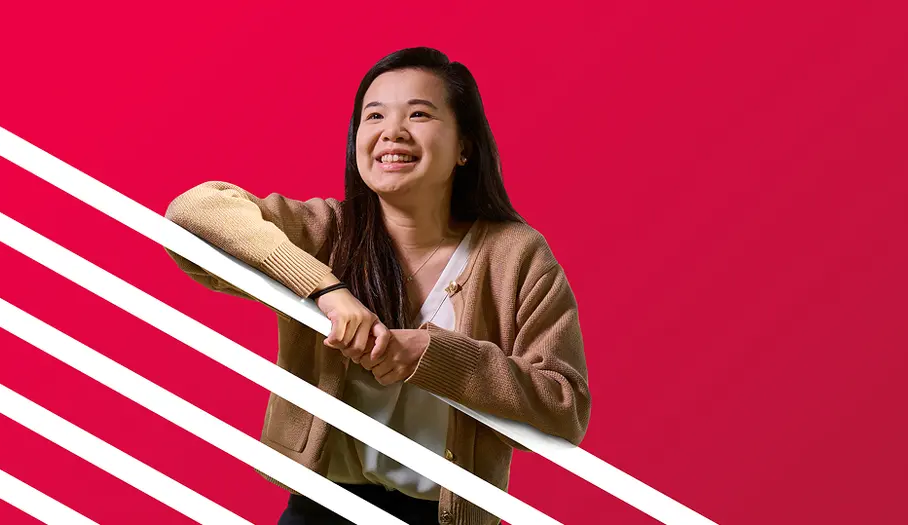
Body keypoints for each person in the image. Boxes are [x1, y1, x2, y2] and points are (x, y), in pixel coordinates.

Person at [163, 47, 591, 525]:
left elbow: (563, 405)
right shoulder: (326, 230)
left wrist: (435, 358)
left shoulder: (517, 254)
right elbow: (194, 211)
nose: (393, 132)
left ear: (464, 146)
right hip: (321, 508)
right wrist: (324, 289)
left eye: (419, 114)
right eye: (374, 116)